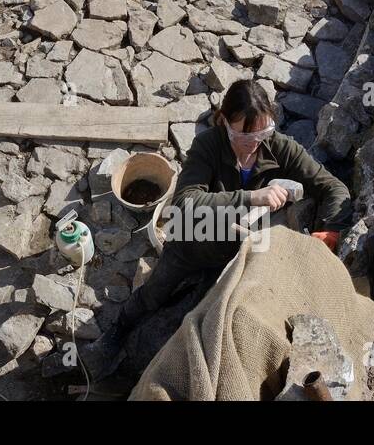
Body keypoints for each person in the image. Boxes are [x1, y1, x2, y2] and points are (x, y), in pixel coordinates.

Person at [63, 79, 353, 379]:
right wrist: (251, 196)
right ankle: (118, 330)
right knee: (155, 292)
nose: (256, 142)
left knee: (203, 317)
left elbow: (333, 188)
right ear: (225, 123)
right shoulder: (207, 146)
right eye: (245, 134)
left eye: (264, 132)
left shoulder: (278, 146)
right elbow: (186, 202)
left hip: (235, 252)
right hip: (191, 242)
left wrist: (330, 230)